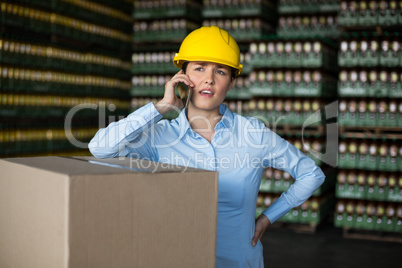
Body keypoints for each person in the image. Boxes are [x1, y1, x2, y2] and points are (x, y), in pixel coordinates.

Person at [89, 26, 325, 268]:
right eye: (199, 68)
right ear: (182, 76)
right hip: (179, 259)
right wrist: (160, 107)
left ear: (232, 82)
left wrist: (266, 219)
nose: (209, 79)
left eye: (220, 71)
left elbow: (311, 174)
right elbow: (100, 148)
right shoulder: (160, 137)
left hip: (239, 261)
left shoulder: (253, 134)